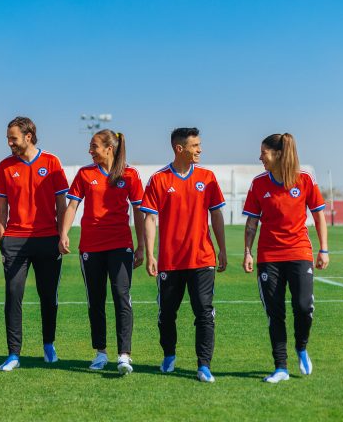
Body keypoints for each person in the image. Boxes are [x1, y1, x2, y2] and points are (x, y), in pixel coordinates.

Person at [141, 127, 227, 383]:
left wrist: (222, 249)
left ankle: (204, 365)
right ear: (180, 149)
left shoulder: (207, 177)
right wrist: (150, 254)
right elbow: (149, 218)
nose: (200, 149)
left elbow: (217, 215)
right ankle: (169, 355)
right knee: (167, 313)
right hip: (170, 260)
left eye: (200, 144)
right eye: (195, 145)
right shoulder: (159, 179)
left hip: (202, 258)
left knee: (204, 312)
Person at [242, 133, 329, 383]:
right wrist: (248, 252)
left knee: (303, 307)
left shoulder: (304, 179)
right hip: (268, 256)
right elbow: (252, 222)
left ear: (278, 154)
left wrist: (324, 249)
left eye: (264, 153)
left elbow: (319, 215)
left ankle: (301, 347)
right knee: (275, 312)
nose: (260, 157)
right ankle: (280, 367)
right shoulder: (259, 183)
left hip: (300, 252)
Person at [59, 129, 145, 375]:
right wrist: (64, 233)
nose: (90, 150)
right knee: (95, 300)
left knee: (121, 297)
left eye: (94, 146)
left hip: (120, 245)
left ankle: (124, 355)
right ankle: (100, 352)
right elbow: (73, 204)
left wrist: (141, 246)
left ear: (109, 148)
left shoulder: (130, 174)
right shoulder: (85, 174)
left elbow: (139, 211)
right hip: (91, 246)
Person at [0, 116, 69, 371]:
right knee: (13, 295)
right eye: (8, 138)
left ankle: (48, 344)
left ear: (28, 136)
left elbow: (62, 203)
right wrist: (3, 238)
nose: (9, 143)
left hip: (48, 239)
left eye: (12, 138)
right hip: (15, 240)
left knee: (48, 296)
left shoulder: (52, 162)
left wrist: (61, 234)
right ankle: (14, 353)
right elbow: (1, 207)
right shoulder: (5, 166)